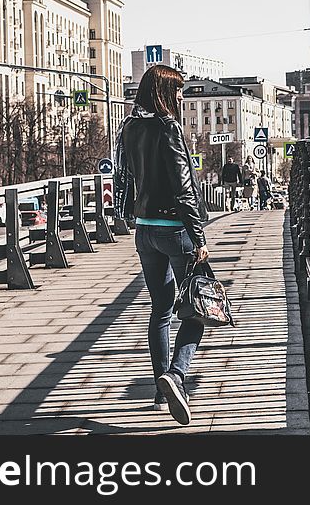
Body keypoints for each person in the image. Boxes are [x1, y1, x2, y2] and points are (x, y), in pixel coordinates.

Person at [113, 64, 210, 426]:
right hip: (175, 230)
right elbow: (184, 188)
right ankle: (177, 375)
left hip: (144, 230)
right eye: (179, 91)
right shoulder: (169, 129)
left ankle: (160, 389)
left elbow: (125, 177)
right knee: (197, 310)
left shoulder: (130, 127)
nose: (183, 97)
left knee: (161, 308)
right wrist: (199, 236)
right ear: (165, 92)